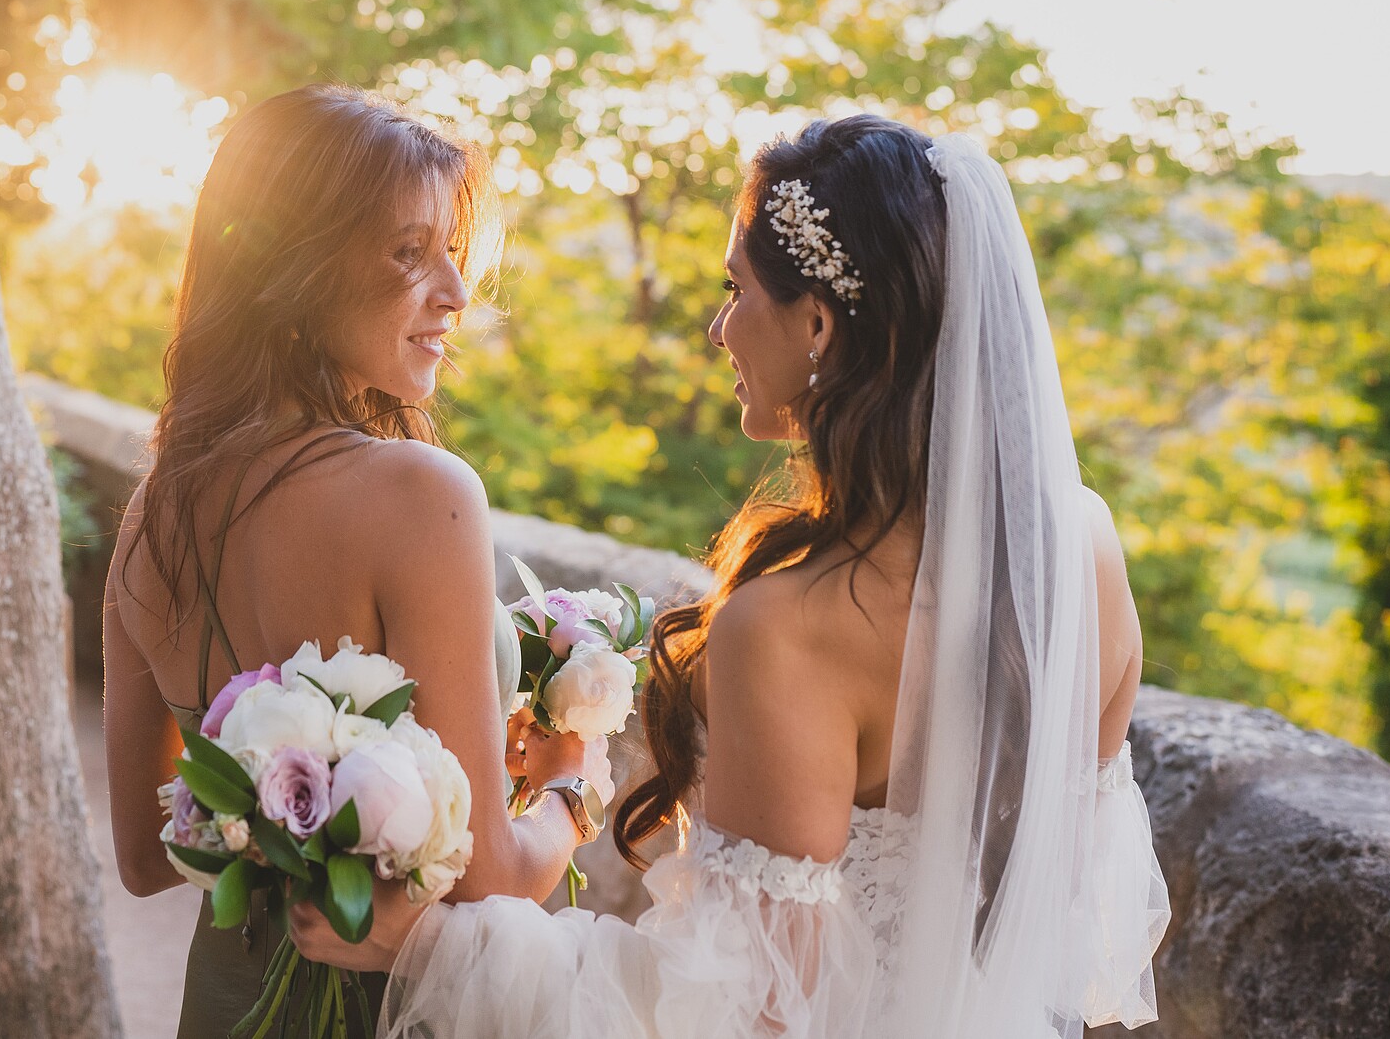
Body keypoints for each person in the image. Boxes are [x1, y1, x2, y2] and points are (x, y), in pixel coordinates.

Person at [290, 115, 1171, 1038]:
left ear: (819, 322)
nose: (718, 328)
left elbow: (744, 1015)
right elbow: (1074, 904)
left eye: (734, 288)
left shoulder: (788, 626)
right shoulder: (1080, 542)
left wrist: (433, 941)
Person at [101, 85, 605, 1039]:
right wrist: (574, 781)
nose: (455, 293)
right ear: (293, 268)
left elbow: (141, 853)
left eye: (451, 254)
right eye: (408, 254)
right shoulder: (423, 494)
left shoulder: (149, 517)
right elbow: (494, 878)